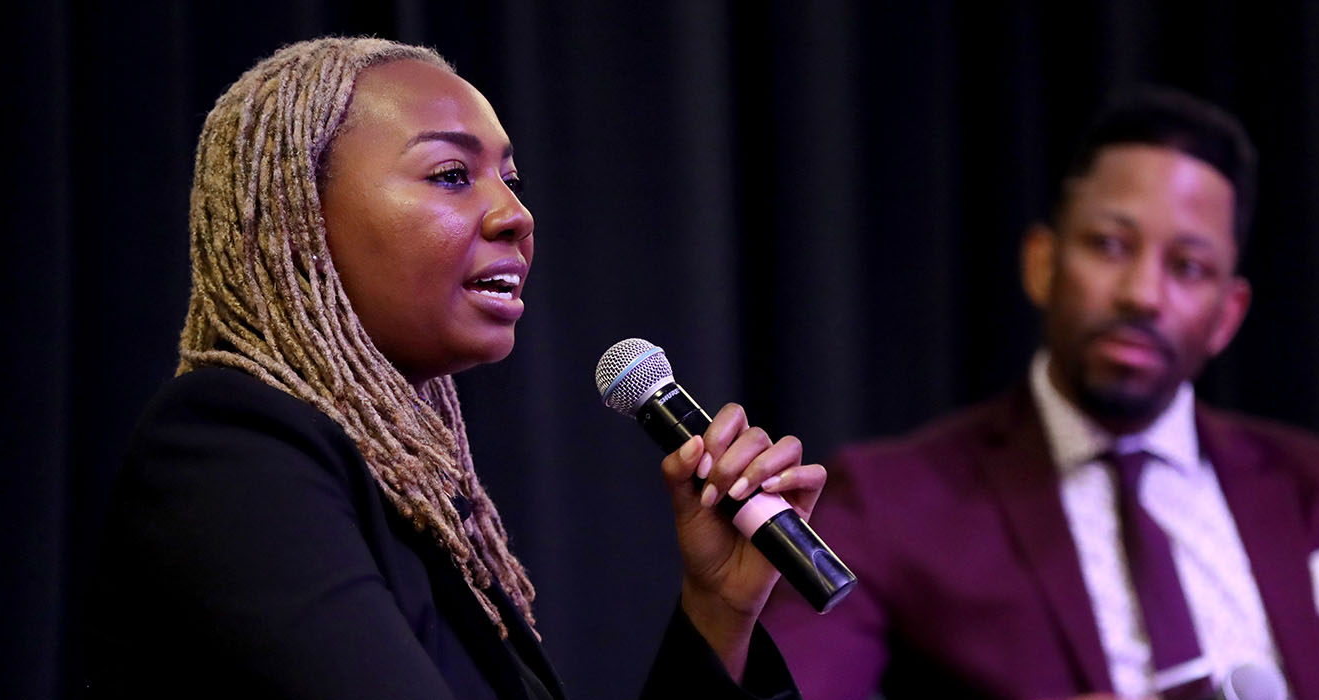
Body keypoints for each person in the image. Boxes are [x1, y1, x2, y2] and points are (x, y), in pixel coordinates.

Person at [86, 36, 823, 700]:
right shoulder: (230, 448)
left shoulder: (414, 498)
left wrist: (716, 606)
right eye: (448, 174)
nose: (515, 215)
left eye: (511, 179)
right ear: (294, 214)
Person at [761, 88, 1319, 700]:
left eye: (1187, 265)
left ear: (1227, 315)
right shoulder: (890, 502)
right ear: (1042, 263)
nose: (1143, 293)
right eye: (1110, 246)